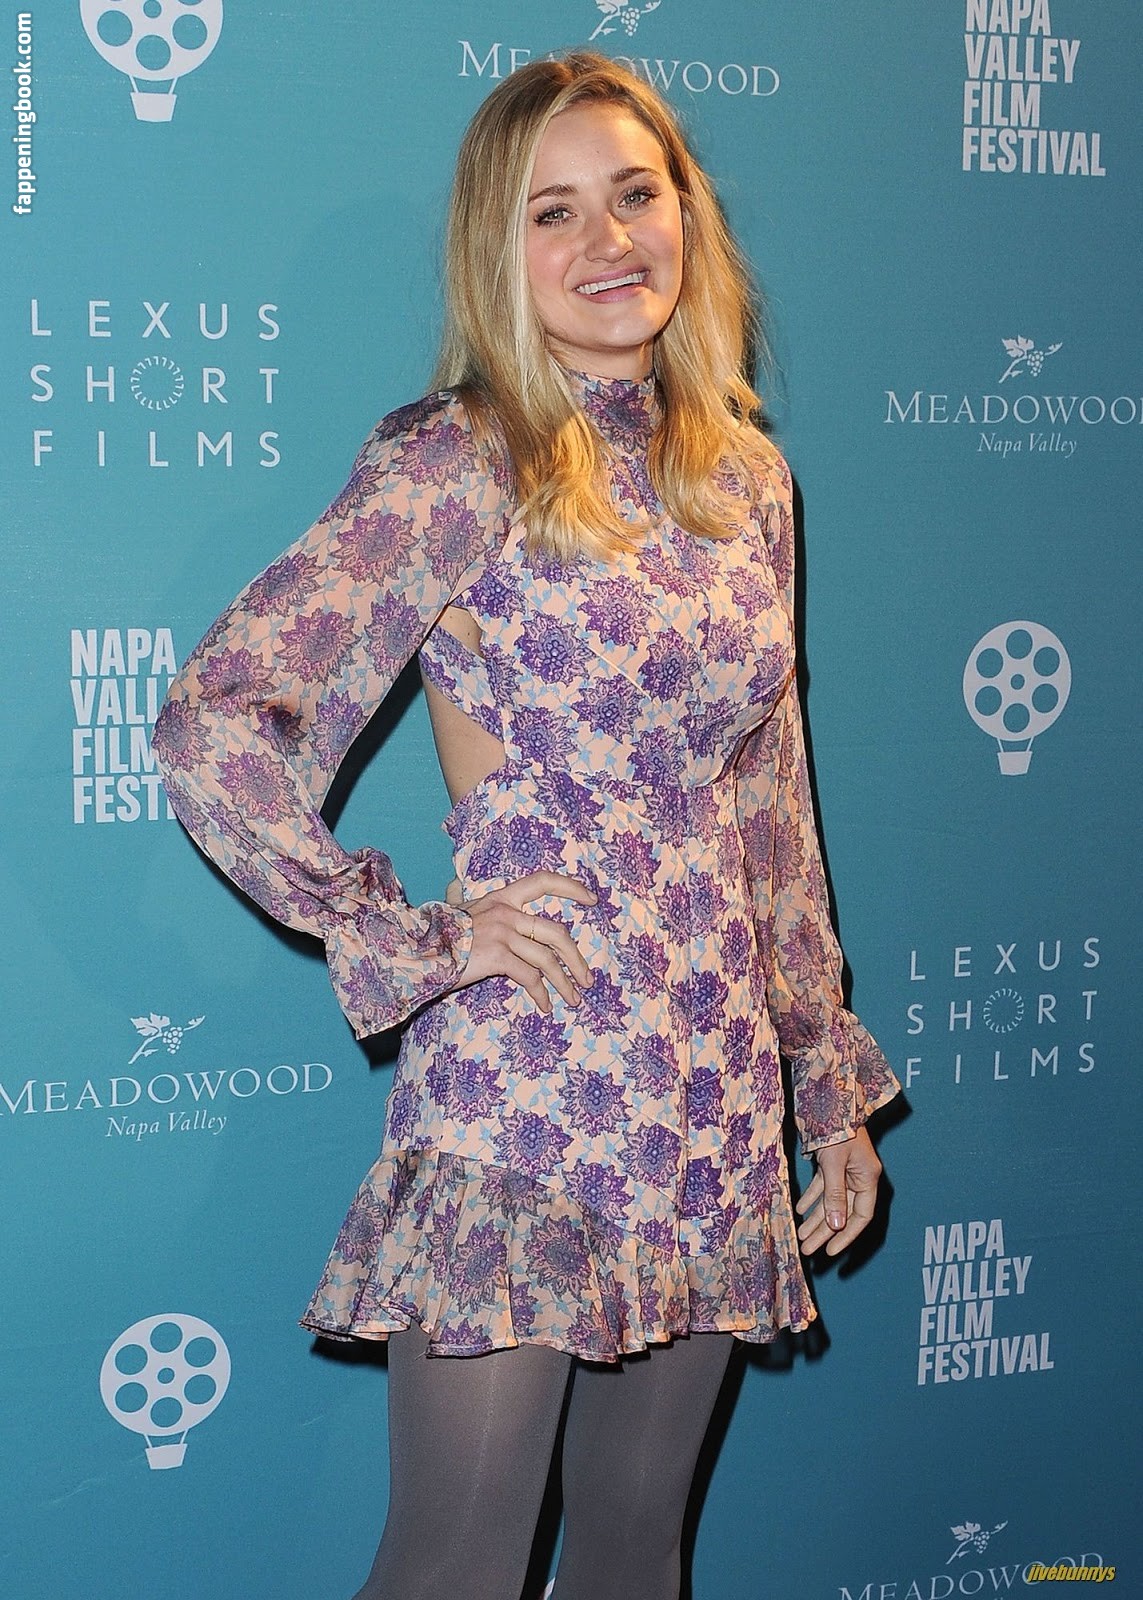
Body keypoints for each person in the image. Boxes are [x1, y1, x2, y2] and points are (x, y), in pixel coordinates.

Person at [152, 50, 901, 1600]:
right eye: (553, 212)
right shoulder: (461, 457)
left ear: (688, 212)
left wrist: (819, 1071)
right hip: (533, 1070)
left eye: (636, 193)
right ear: (502, 252)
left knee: (636, 1552)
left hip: (706, 1066)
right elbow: (221, 719)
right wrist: (402, 930)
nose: (608, 240)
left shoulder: (749, 481)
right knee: (456, 1562)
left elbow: (769, 794)